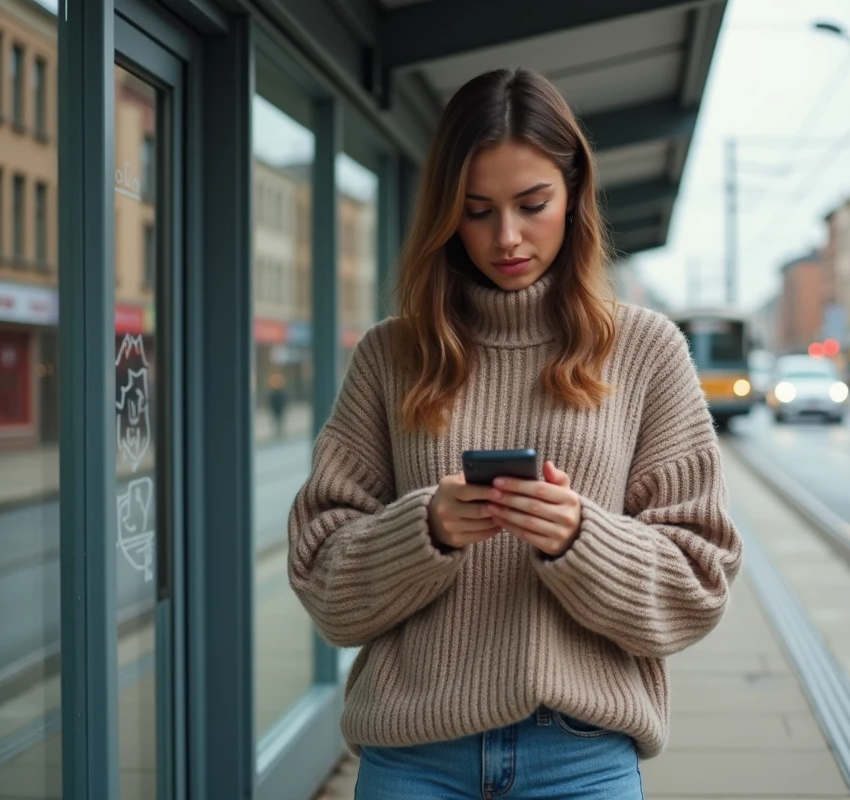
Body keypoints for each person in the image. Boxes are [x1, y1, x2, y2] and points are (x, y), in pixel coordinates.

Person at [288, 67, 743, 799]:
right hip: (412, 756)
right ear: (444, 214)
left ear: (575, 196)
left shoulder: (646, 350)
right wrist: (425, 528)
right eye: (476, 211)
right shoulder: (390, 355)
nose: (506, 237)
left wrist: (578, 538)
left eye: (533, 204)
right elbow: (322, 581)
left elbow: (699, 585)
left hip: (581, 754)